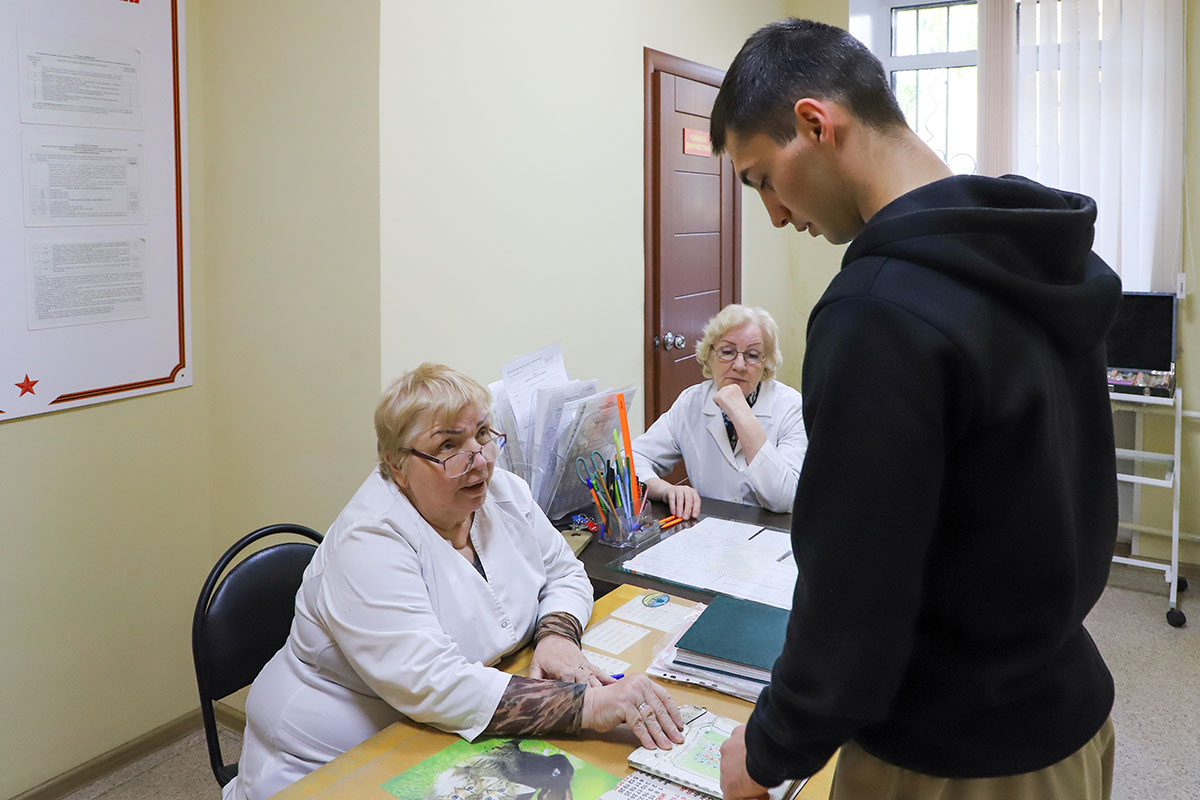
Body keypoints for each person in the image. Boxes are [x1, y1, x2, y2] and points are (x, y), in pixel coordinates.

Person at [709, 19, 1121, 800]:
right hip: (1067, 706)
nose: (772, 213)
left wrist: (768, 748)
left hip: (954, 752)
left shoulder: (878, 309)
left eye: (762, 177)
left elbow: (854, 592)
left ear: (814, 124)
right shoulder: (1031, 254)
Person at [224, 364, 683, 800]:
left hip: (443, 731)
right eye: (448, 445)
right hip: (336, 755)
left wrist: (557, 636)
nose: (479, 459)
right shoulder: (368, 541)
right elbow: (434, 682)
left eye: (483, 434)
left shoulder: (502, 492)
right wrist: (589, 707)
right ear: (396, 465)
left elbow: (564, 573)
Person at [632, 304, 807, 518]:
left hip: (771, 534)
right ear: (709, 355)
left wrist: (741, 414)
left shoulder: (792, 407)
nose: (739, 365)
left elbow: (782, 498)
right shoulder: (691, 403)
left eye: (752, 355)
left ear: (766, 363)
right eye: (727, 352)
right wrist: (666, 490)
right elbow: (632, 460)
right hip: (710, 531)